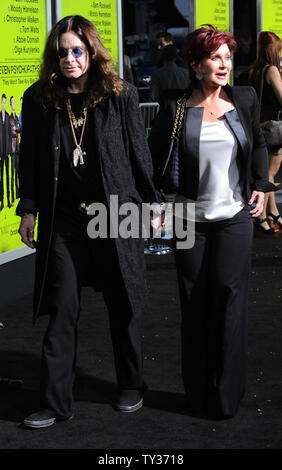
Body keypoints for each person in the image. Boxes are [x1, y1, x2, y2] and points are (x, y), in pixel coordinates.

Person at [17, 15, 162, 429]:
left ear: (91, 52)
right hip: (64, 221)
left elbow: (139, 154)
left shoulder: (119, 95)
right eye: (61, 51)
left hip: (116, 215)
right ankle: (55, 401)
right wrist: (28, 208)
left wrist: (152, 205)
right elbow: (30, 161)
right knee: (62, 308)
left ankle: (131, 383)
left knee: (123, 302)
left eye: (76, 50)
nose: (68, 58)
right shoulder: (39, 99)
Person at [149, 26, 277, 418]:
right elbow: (154, 163)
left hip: (234, 220)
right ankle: (198, 393)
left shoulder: (244, 98)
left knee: (229, 302)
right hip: (189, 219)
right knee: (195, 305)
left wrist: (260, 184)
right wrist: (156, 207)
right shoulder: (174, 107)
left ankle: (225, 397)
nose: (225, 64)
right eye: (216, 57)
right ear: (195, 63)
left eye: (228, 57)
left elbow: (255, 142)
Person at [249, 31, 282, 234]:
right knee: (269, 174)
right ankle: (262, 215)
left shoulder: (255, 69)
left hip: (260, 126)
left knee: (266, 173)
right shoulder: (271, 70)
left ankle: (273, 211)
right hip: (274, 128)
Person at [0, 93, 11, 211]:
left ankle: (8, 200)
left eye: (5, 102)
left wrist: (8, 151)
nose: (3, 104)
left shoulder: (8, 116)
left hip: (7, 152)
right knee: (1, 178)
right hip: (0, 153)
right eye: (2, 102)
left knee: (7, 177)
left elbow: (9, 135)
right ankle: (1, 201)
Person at [9, 96, 21, 203]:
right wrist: (16, 129)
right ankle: (12, 197)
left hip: (17, 148)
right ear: (10, 105)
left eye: (14, 102)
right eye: (12, 103)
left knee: (18, 173)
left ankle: (17, 194)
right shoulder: (10, 119)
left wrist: (16, 128)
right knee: (12, 174)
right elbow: (13, 132)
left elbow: (18, 129)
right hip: (12, 150)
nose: (14, 104)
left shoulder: (16, 118)